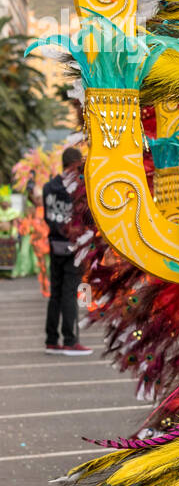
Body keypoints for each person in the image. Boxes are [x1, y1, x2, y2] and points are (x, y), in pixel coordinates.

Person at [42, 147, 92, 356]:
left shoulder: (48, 187)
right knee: (69, 293)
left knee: (56, 293)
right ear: (73, 165)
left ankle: (52, 339)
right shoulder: (77, 189)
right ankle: (70, 341)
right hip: (73, 247)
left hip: (55, 244)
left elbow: (47, 216)